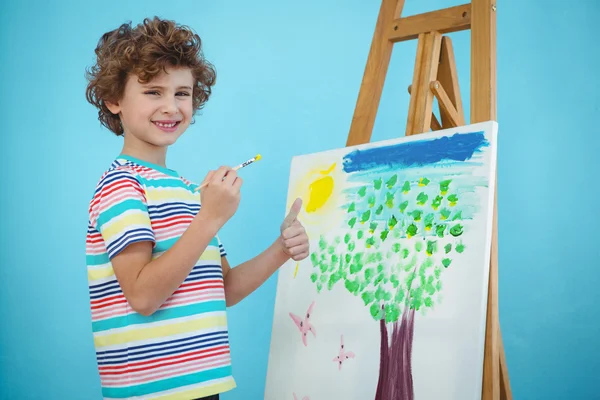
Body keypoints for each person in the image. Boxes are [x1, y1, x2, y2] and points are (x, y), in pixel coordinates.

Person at [84, 16, 309, 400]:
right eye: (153, 92)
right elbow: (142, 297)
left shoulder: (191, 193)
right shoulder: (122, 185)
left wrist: (281, 250)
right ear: (114, 100)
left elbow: (225, 289)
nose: (171, 107)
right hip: (151, 392)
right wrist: (209, 218)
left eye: (182, 93)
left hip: (203, 385)